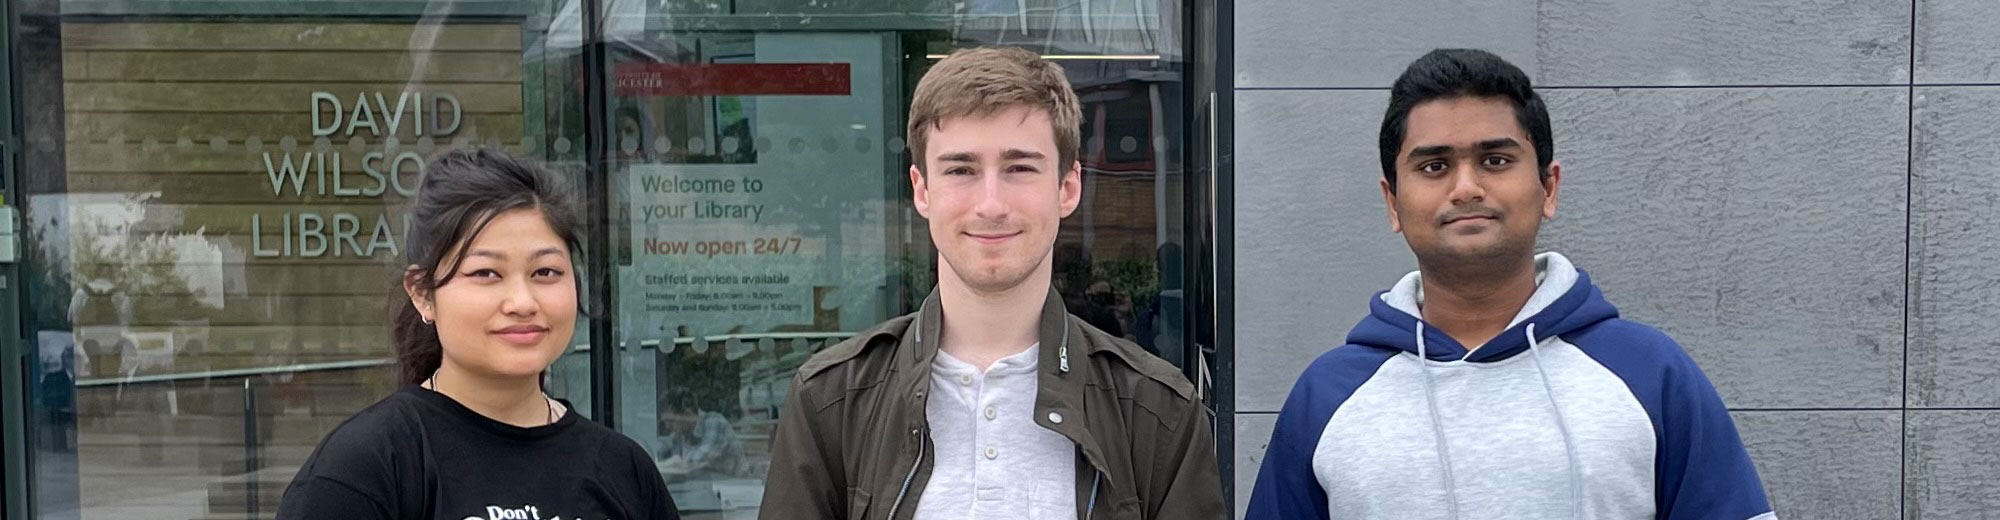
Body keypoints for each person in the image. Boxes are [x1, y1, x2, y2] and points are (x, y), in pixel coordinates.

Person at [1245, 49, 1774, 520]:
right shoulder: (1328, 395)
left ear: (1548, 186)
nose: (1466, 187)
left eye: (1495, 160)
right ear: (1392, 203)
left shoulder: (1652, 373)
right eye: (1434, 166)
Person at [758, 46, 1224, 520]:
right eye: (961, 170)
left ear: (1067, 187)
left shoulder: (1156, 411)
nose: (991, 204)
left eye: (1020, 168)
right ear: (922, 190)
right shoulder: (831, 401)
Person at [276, 148, 679, 520]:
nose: (522, 301)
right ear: (422, 294)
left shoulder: (624, 470)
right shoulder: (364, 471)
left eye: (545, 272)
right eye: (486, 273)